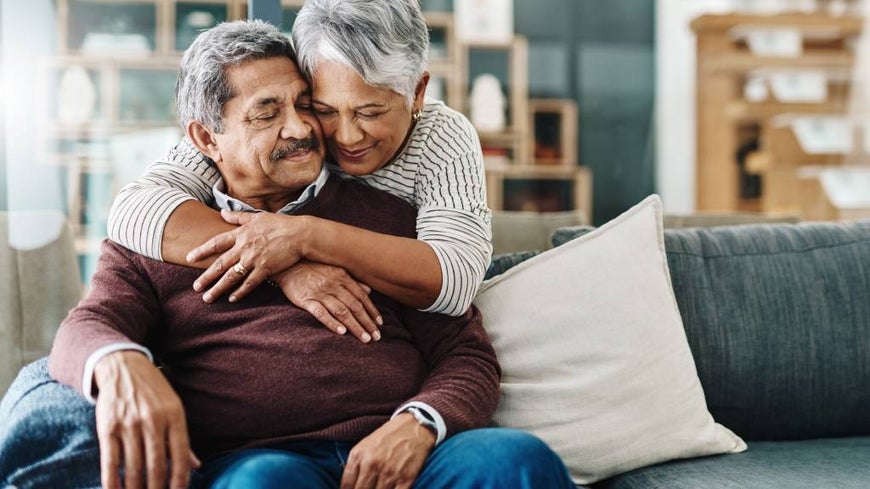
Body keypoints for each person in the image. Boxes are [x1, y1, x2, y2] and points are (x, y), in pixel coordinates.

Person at [2, 20, 576, 489]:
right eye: (266, 112)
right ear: (205, 139)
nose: (303, 128)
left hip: (405, 455)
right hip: (262, 460)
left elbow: (465, 353)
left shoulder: (386, 218)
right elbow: (87, 324)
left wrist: (420, 423)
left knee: (515, 461)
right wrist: (119, 363)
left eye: (306, 105)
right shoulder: (158, 234)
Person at [108, 0, 491, 343]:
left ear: (418, 92)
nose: (346, 136)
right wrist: (288, 265)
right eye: (323, 108)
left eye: (369, 112)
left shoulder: (441, 136)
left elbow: (455, 281)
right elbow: (133, 210)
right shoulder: (290, 131)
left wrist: (304, 237)